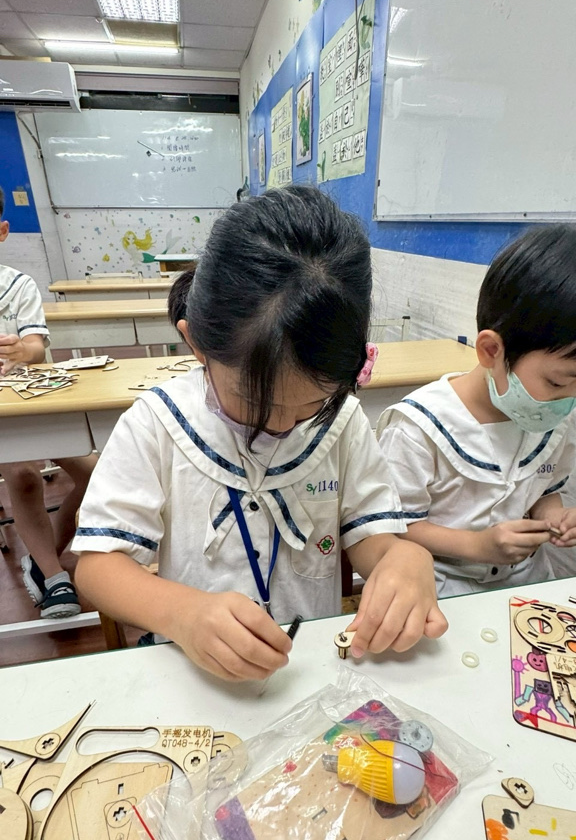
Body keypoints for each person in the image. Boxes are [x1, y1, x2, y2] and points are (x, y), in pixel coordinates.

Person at [74, 185, 446, 682]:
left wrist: (404, 557)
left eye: (312, 404)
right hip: (194, 675)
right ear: (196, 344)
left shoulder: (344, 423)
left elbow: (372, 537)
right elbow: (98, 568)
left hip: (309, 673)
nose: (283, 425)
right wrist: (181, 613)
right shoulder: (156, 423)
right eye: (256, 403)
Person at [377, 224, 576, 598]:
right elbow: (393, 527)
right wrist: (477, 546)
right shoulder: (418, 428)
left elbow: (545, 488)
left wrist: (554, 517)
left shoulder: (557, 415)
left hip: (524, 583)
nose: (568, 400)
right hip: (437, 585)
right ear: (490, 351)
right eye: (556, 382)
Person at [0, 185, 97, 618]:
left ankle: (44, 561)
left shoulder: (17, 285)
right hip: (4, 415)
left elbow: (37, 347)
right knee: (22, 477)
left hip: (38, 401)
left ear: (2, 231)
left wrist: (23, 350)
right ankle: (55, 577)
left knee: (96, 474)